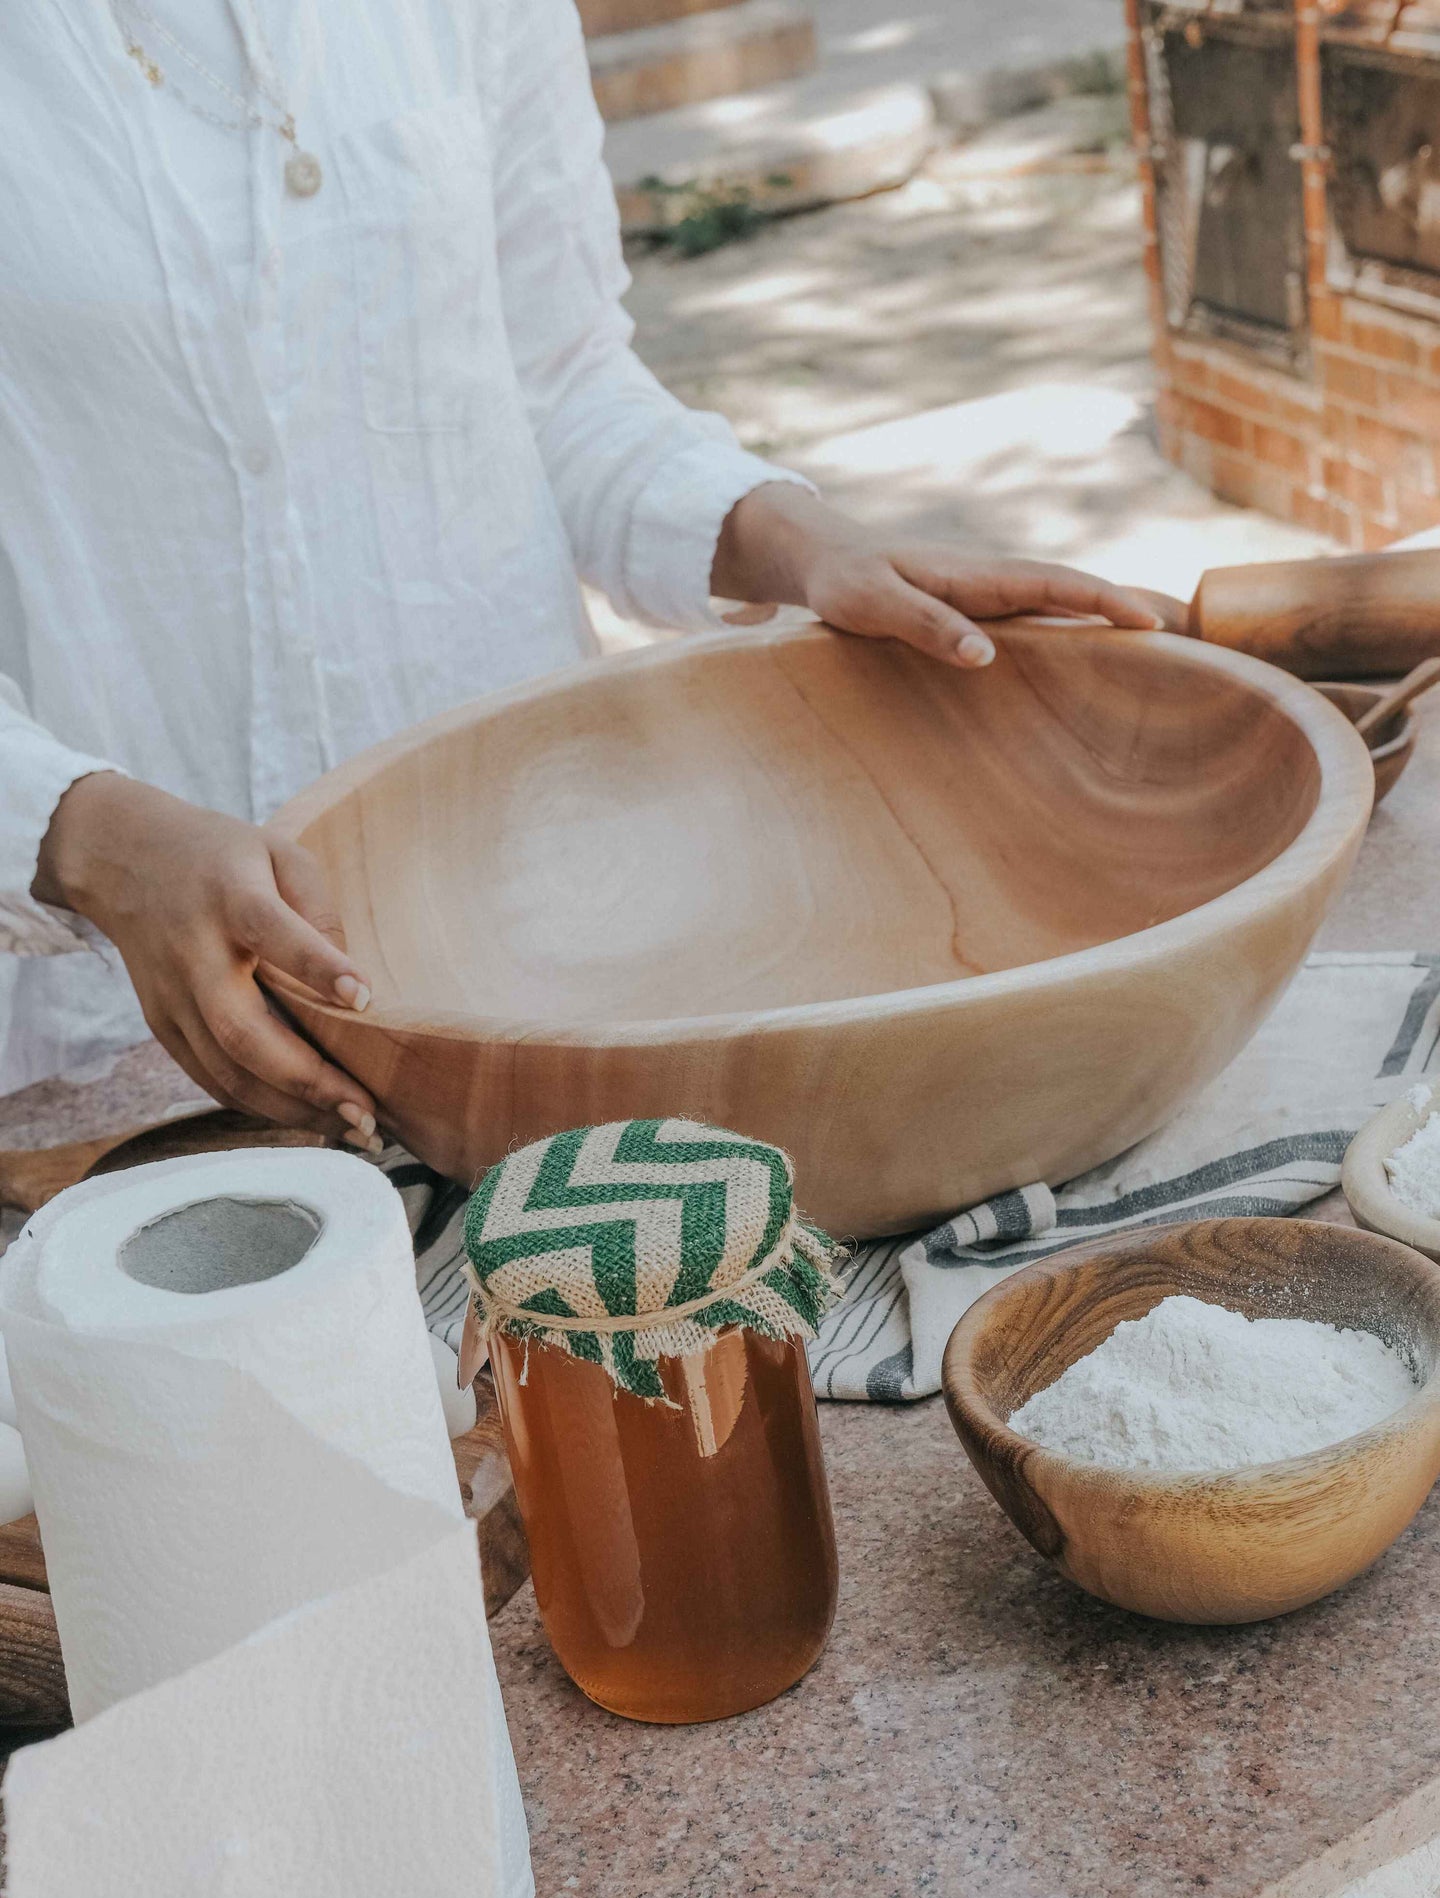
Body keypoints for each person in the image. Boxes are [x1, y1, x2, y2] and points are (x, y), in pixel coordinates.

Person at [1, 0, 1161, 1143]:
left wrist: (807, 542)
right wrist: (86, 837)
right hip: (134, 1053)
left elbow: (558, 388)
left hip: (539, 950)